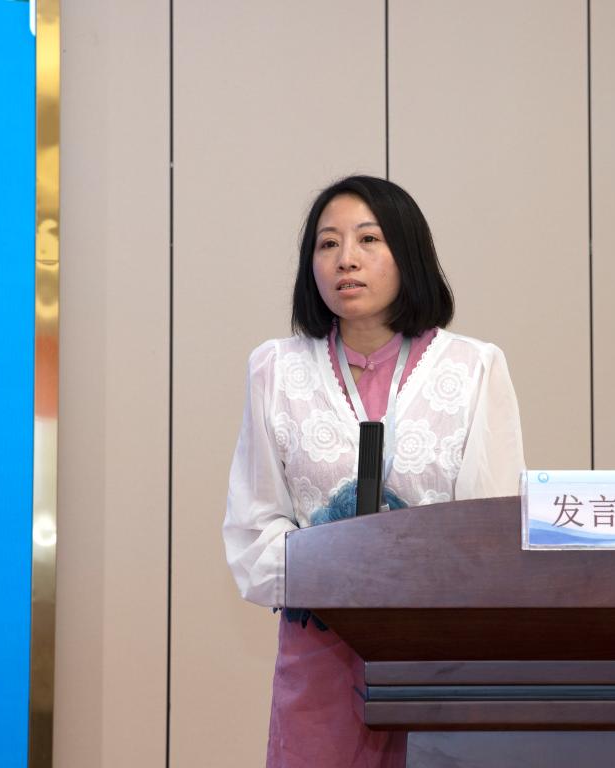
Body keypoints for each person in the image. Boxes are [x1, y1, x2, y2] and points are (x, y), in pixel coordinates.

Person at [222, 175, 525, 768]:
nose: (346, 259)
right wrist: (337, 567)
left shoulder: (474, 367)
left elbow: (493, 530)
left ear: (407, 253)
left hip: (439, 659)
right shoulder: (274, 368)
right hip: (321, 653)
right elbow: (253, 528)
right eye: (327, 243)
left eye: (368, 239)